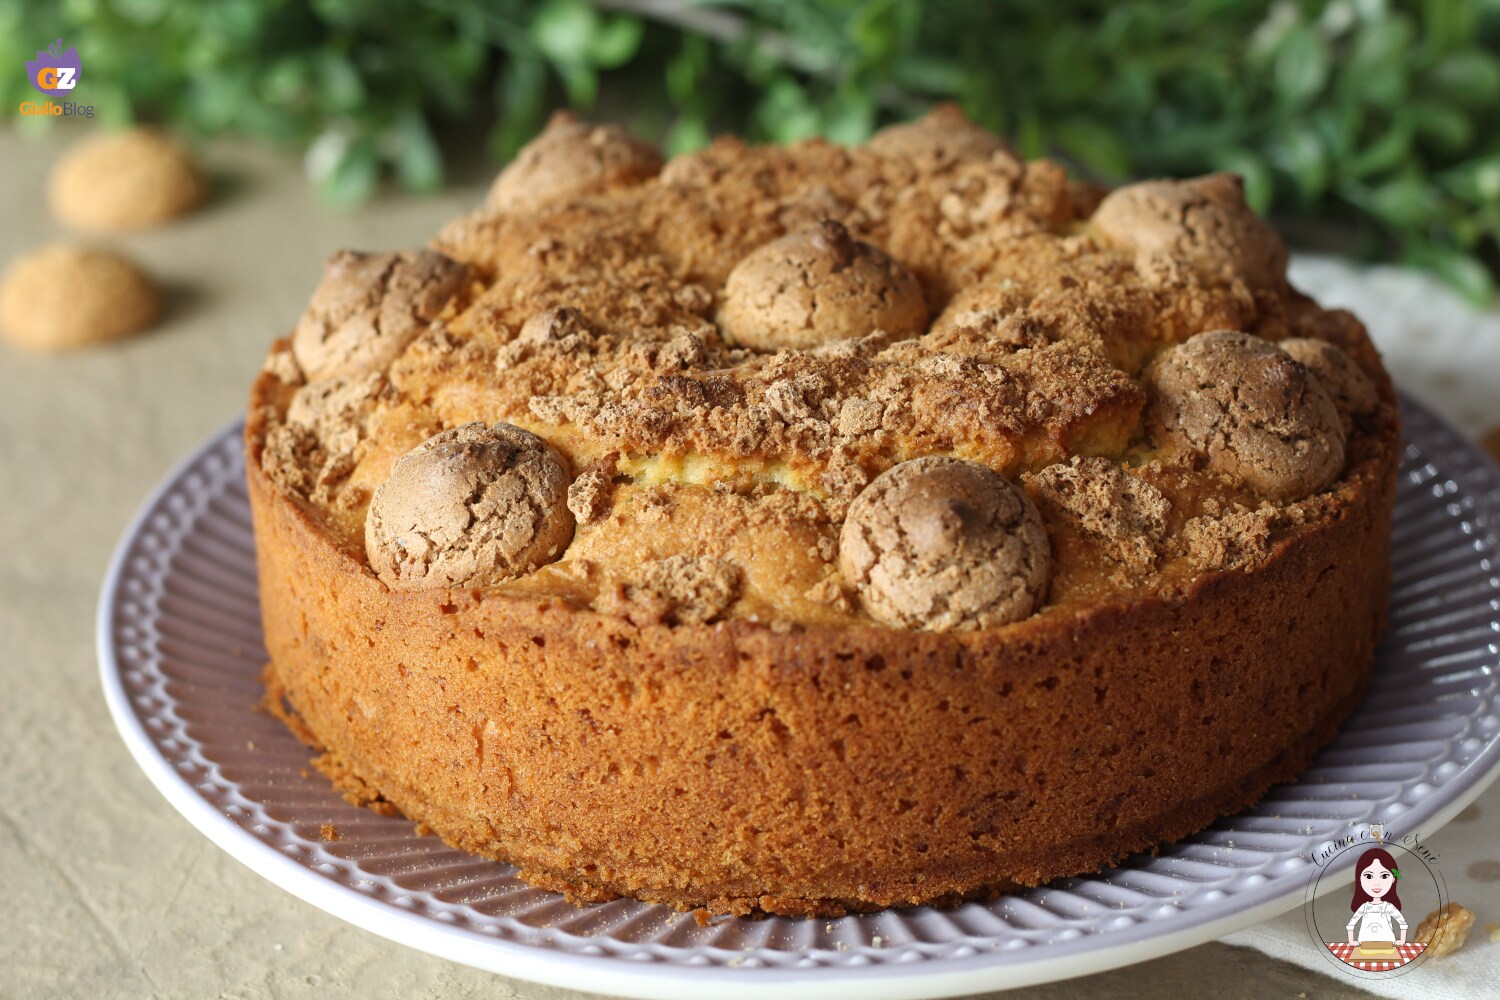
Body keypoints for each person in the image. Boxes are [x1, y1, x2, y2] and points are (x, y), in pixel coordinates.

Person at [1346, 847, 1408, 950]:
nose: (1376, 883)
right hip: (1365, 945)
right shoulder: (1364, 907)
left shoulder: (1388, 907)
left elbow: (1402, 923)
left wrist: (1401, 940)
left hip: (1387, 945)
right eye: (1369, 876)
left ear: (1393, 879)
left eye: (1384, 876)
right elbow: (1351, 924)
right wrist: (1352, 940)